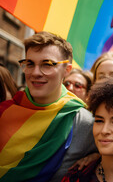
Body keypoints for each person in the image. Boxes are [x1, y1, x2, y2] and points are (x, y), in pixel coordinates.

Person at [0, 31, 96, 181]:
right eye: (30, 64)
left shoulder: (84, 122)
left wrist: (97, 156)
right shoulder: (4, 111)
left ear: (67, 70)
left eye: (47, 64)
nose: (36, 73)